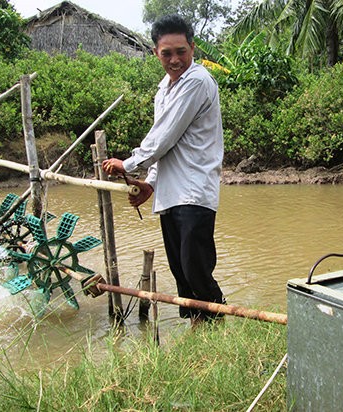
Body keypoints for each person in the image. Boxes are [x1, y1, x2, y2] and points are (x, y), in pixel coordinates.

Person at [102, 14, 225, 326]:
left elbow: (163, 135)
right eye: (166, 53)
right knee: (181, 271)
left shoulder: (197, 81)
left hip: (194, 191)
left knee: (195, 265)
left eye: (181, 51)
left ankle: (218, 319)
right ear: (155, 53)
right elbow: (168, 145)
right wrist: (151, 183)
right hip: (171, 193)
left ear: (193, 48)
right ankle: (201, 326)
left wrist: (128, 164)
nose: (174, 60)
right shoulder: (163, 90)